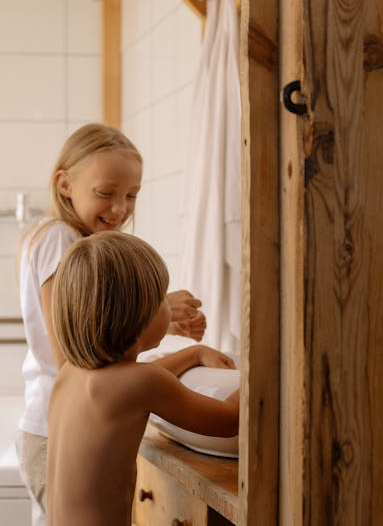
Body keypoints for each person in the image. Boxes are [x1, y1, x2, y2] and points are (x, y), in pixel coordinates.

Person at [16, 123, 209, 525]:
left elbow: (96, 339)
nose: (120, 208)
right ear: (65, 184)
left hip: (56, 426)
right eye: (105, 193)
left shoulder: (63, 237)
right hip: (57, 432)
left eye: (132, 195)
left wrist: (161, 323)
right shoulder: (62, 238)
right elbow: (76, 352)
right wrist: (155, 311)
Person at [46, 231, 239, 526]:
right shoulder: (141, 382)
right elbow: (229, 420)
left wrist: (194, 353)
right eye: (162, 297)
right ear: (135, 315)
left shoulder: (70, 373)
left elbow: (146, 375)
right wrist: (262, 371)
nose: (167, 305)